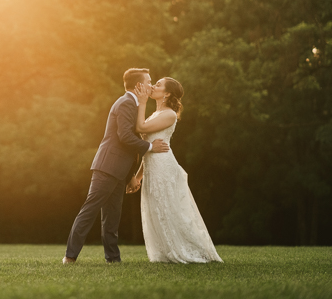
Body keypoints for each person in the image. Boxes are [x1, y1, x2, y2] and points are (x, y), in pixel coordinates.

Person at [62, 68, 170, 264]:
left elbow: (129, 142)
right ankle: (70, 257)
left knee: (112, 218)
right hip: (107, 167)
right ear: (138, 86)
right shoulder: (126, 103)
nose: (151, 85)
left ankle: (113, 258)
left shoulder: (134, 105)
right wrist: (150, 147)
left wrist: (130, 176)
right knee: (90, 210)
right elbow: (125, 136)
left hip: (119, 171)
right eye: (148, 81)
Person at [129, 77, 223, 263]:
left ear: (167, 93)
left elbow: (140, 127)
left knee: (171, 210)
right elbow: (148, 147)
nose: (153, 86)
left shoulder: (169, 114)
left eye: (158, 85)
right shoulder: (155, 114)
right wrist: (138, 177)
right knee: (157, 209)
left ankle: (190, 250)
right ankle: (165, 252)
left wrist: (141, 102)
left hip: (164, 167)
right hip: (152, 167)